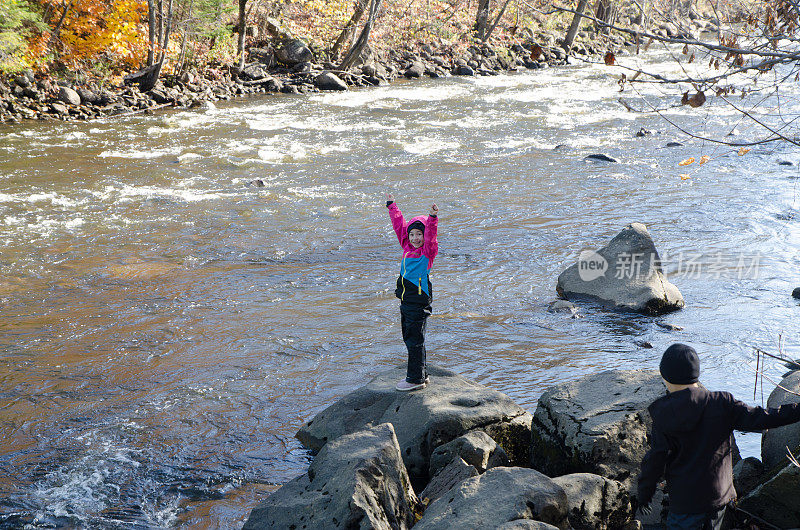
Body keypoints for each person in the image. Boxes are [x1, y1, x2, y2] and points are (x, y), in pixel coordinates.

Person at [637, 343, 800, 529]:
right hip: (719, 499)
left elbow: (655, 462)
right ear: (696, 374)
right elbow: (764, 418)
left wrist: (645, 495)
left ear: (665, 376)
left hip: (685, 505)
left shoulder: (664, 415)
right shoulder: (722, 403)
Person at [385, 193, 438, 391]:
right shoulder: (407, 246)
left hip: (418, 301)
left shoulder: (427, 251)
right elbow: (399, 225)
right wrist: (392, 206)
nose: (415, 238)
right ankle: (422, 374)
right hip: (406, 300)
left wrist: (432, 218)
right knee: (410, 337)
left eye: (419, 234)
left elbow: (431, 235)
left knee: (414, 339)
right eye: (412, 234)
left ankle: (415, 379)